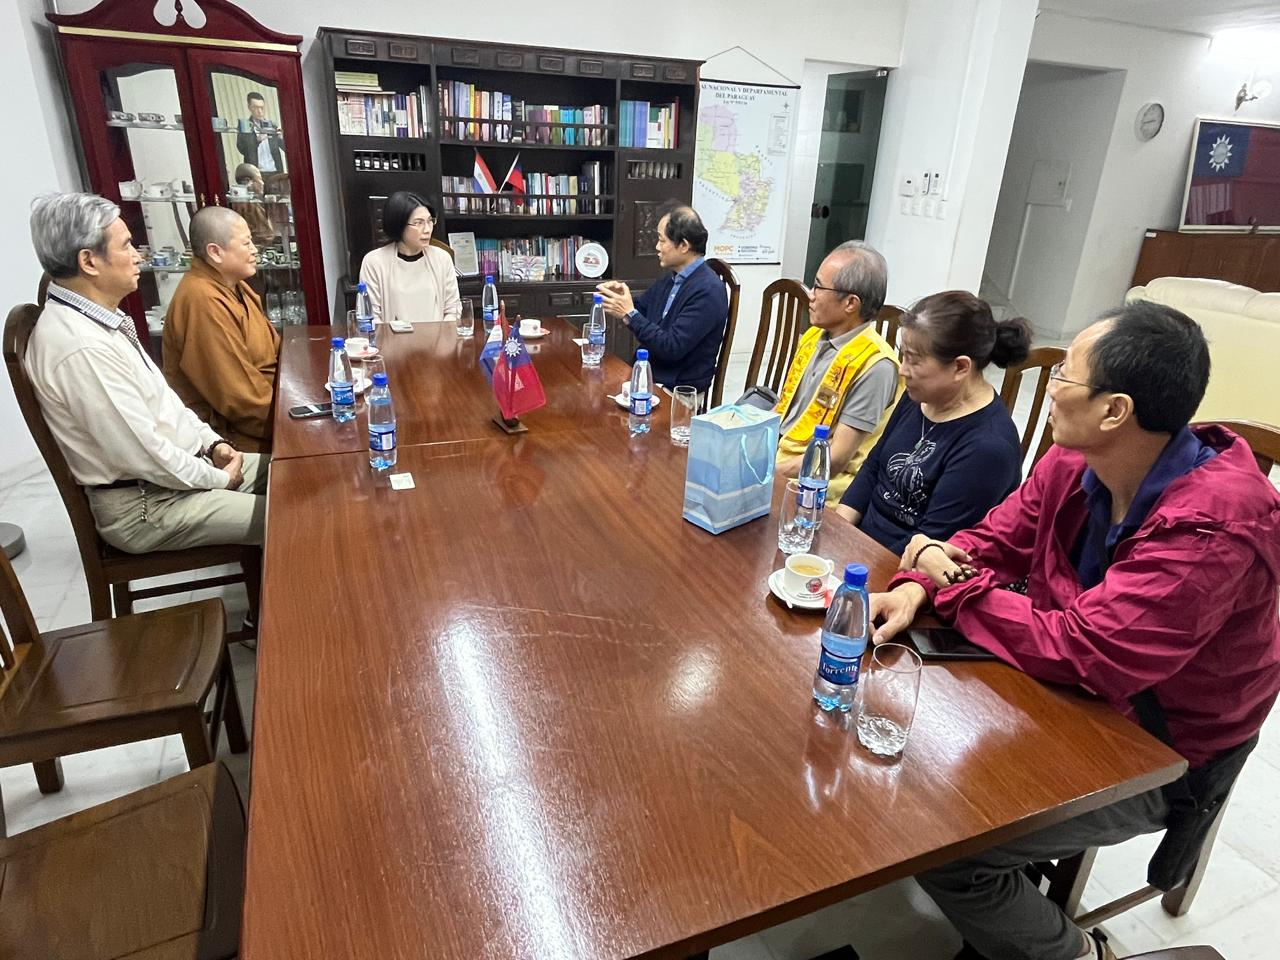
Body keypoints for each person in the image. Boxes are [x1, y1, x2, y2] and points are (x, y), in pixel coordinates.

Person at [869, 301, 1280, 960]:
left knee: (951, 853)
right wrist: (921, 582)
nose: (1050, 387)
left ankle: (1081, 954)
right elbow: (999, 537)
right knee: (909, 757)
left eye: (1064, 375)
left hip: (1164, 743)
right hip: (1073, 689)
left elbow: (1089, 651)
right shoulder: (1077, 458)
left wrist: (952, 583)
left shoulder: (1215, 525)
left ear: (1115, 410)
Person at [25, 193, 268, 552]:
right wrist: (218, 478)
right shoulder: (80, 346)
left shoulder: (99, 318)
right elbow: (146, 454)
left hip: (181, 472)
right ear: (89, 261)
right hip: (148, 504)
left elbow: (166, 401)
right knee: (294, 516)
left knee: (301, 476)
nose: (139, 256)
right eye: (126, 246)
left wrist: (212, 444)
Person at [832, 291, 1029, 554]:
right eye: (903, 356)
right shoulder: (922, 395)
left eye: (913, 360)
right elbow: (874, 466)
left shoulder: (988, 448)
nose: (903, 370)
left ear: (960, 367)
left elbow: (931, 544)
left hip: (907, 565)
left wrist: (853, 561)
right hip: (861, 546)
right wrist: (837, 532)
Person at [773, 241, 899, 499]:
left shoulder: (876, 365)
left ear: (851, 303)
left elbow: (837, 458)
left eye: (819, 287)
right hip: (779, 454)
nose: (811, 295)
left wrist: (769, 473)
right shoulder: (815, 336)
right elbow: (786, 411)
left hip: (815, 486)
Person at [164, 206, 280, 453]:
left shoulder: (235, 286)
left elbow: (274, 348)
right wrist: (291, 422)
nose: (254, 250)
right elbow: (239, 399)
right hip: (232, 438)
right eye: (246, 243)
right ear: (215, 252)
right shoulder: (202, 300)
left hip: (272, 403)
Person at [595, 203, 727, 396]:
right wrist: (621, 298)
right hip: (649, 376)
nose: (657, 247)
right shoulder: (672, 278)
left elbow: (671, 348)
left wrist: (629, 313)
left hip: (676, 391)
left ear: (683, 246)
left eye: (662, 240)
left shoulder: (708, 291)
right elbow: (641, 310)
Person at [359, 191, 461, 326]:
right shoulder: (374, 262)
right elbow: (371, 317)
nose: (427, 229)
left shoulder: (442, 258)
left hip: (436, 338)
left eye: (430, 221)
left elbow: (453, 310)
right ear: (399, 225)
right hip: (390, 338)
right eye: (418, 223)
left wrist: (439, 336)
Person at [236, 91, 284, 175]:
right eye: (256, 107)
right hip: (256, 173)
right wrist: (257, 140)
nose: (260, 111)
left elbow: (286, 149)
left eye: (262, 108)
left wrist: (281, 137)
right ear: (249, 107)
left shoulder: (272, 126)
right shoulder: (245, 126)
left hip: (275, 171)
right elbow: (242, 149)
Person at [229, 163, 275, 245]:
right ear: (248, 181)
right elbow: (265, 235)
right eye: (259, 179)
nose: (263, 183)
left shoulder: (254, 202)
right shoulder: (249, 206)